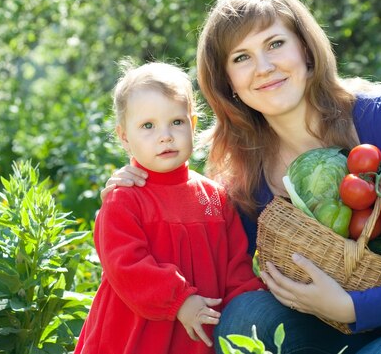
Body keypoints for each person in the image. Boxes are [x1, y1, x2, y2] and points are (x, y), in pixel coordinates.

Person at [103, 0, 381, 354]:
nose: (264, 68)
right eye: (241, 58)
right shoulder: (240, 174)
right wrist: (133, 188)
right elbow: (200, 259)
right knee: (244, 316)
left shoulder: (380, 116)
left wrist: (353, 306)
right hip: (337, 334)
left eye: (274, 44)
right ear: (227, 81)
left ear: (305, 47)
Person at [77, 60, 262, 354]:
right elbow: (126, 265)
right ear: (125, 137)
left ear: (193, 123)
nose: (165, 136)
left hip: (195, 339)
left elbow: (236, 268)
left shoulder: (215, 198)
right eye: (147, 126)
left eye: (176, 122)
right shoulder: (125, 196)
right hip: (134, 338)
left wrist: (251, 309)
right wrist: (180, 299)